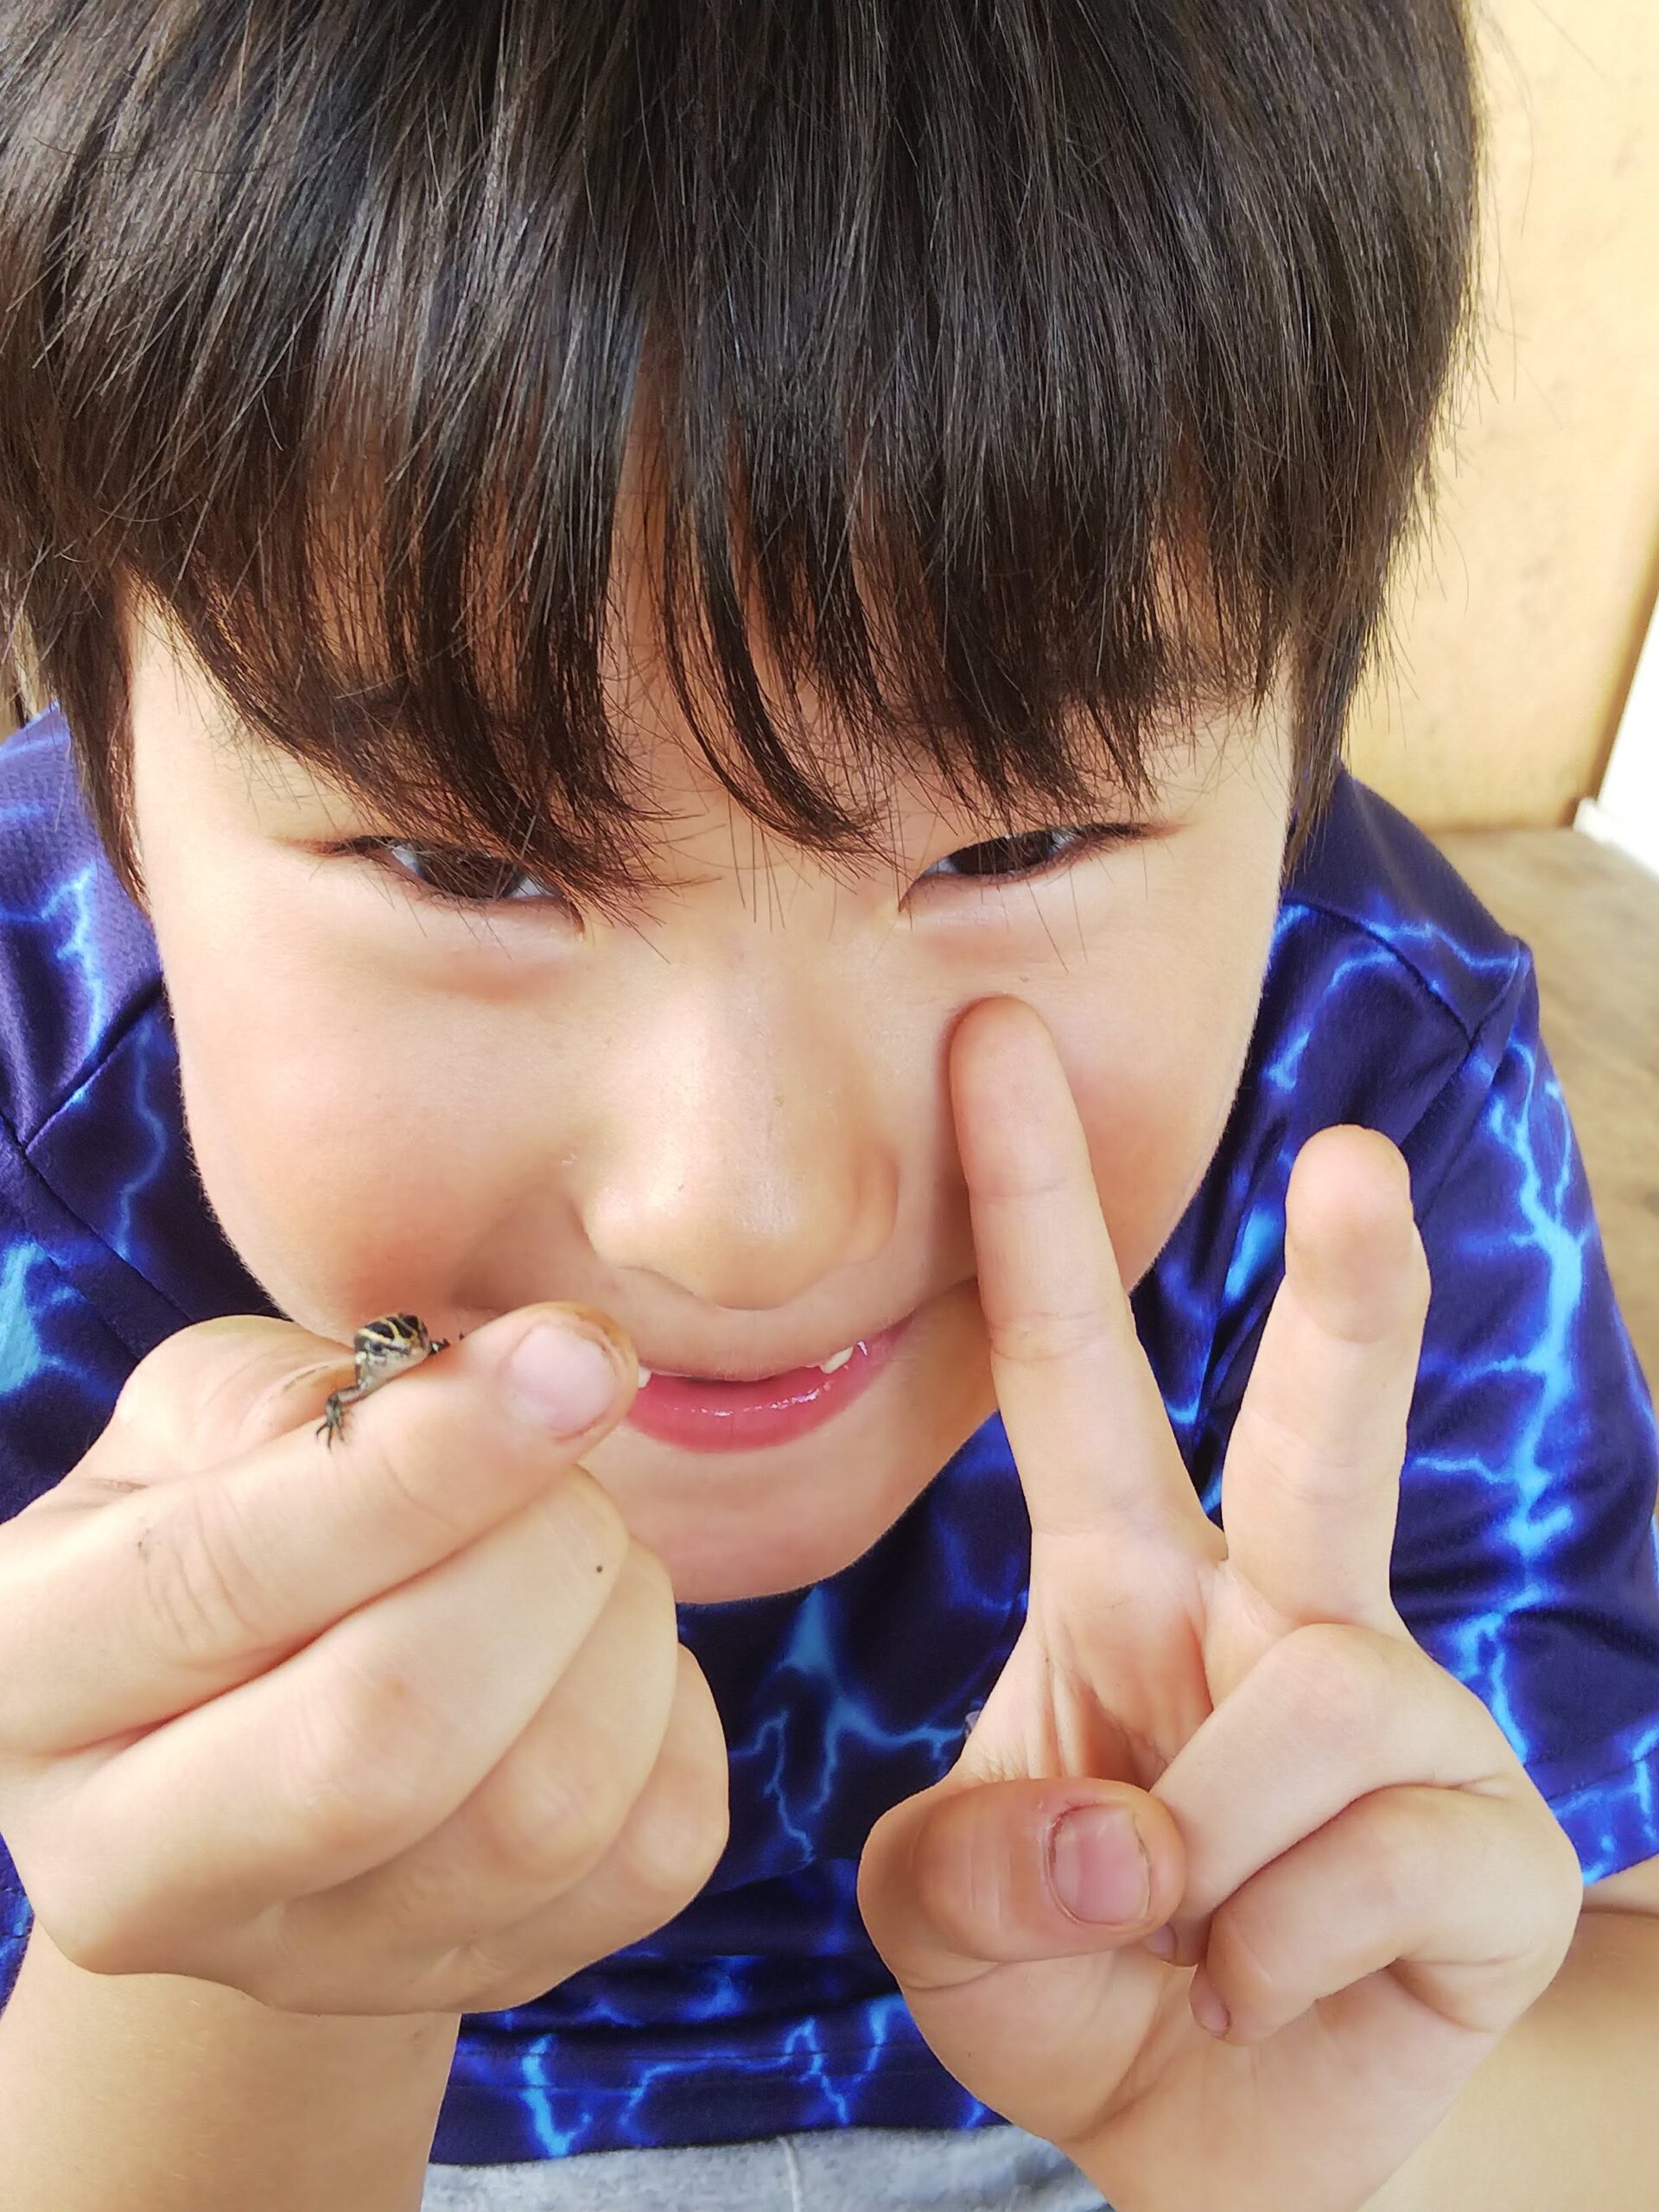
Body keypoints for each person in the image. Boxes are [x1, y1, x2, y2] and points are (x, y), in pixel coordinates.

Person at [1, 3, 1656, 2209]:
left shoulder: (1366, 1080)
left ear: (1294, 737)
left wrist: (1333, 2122)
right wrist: (257, 1975)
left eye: (1018, 842)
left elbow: (1604, 1966)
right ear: (103, 750)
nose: (742, 1215)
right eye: (461, 862)